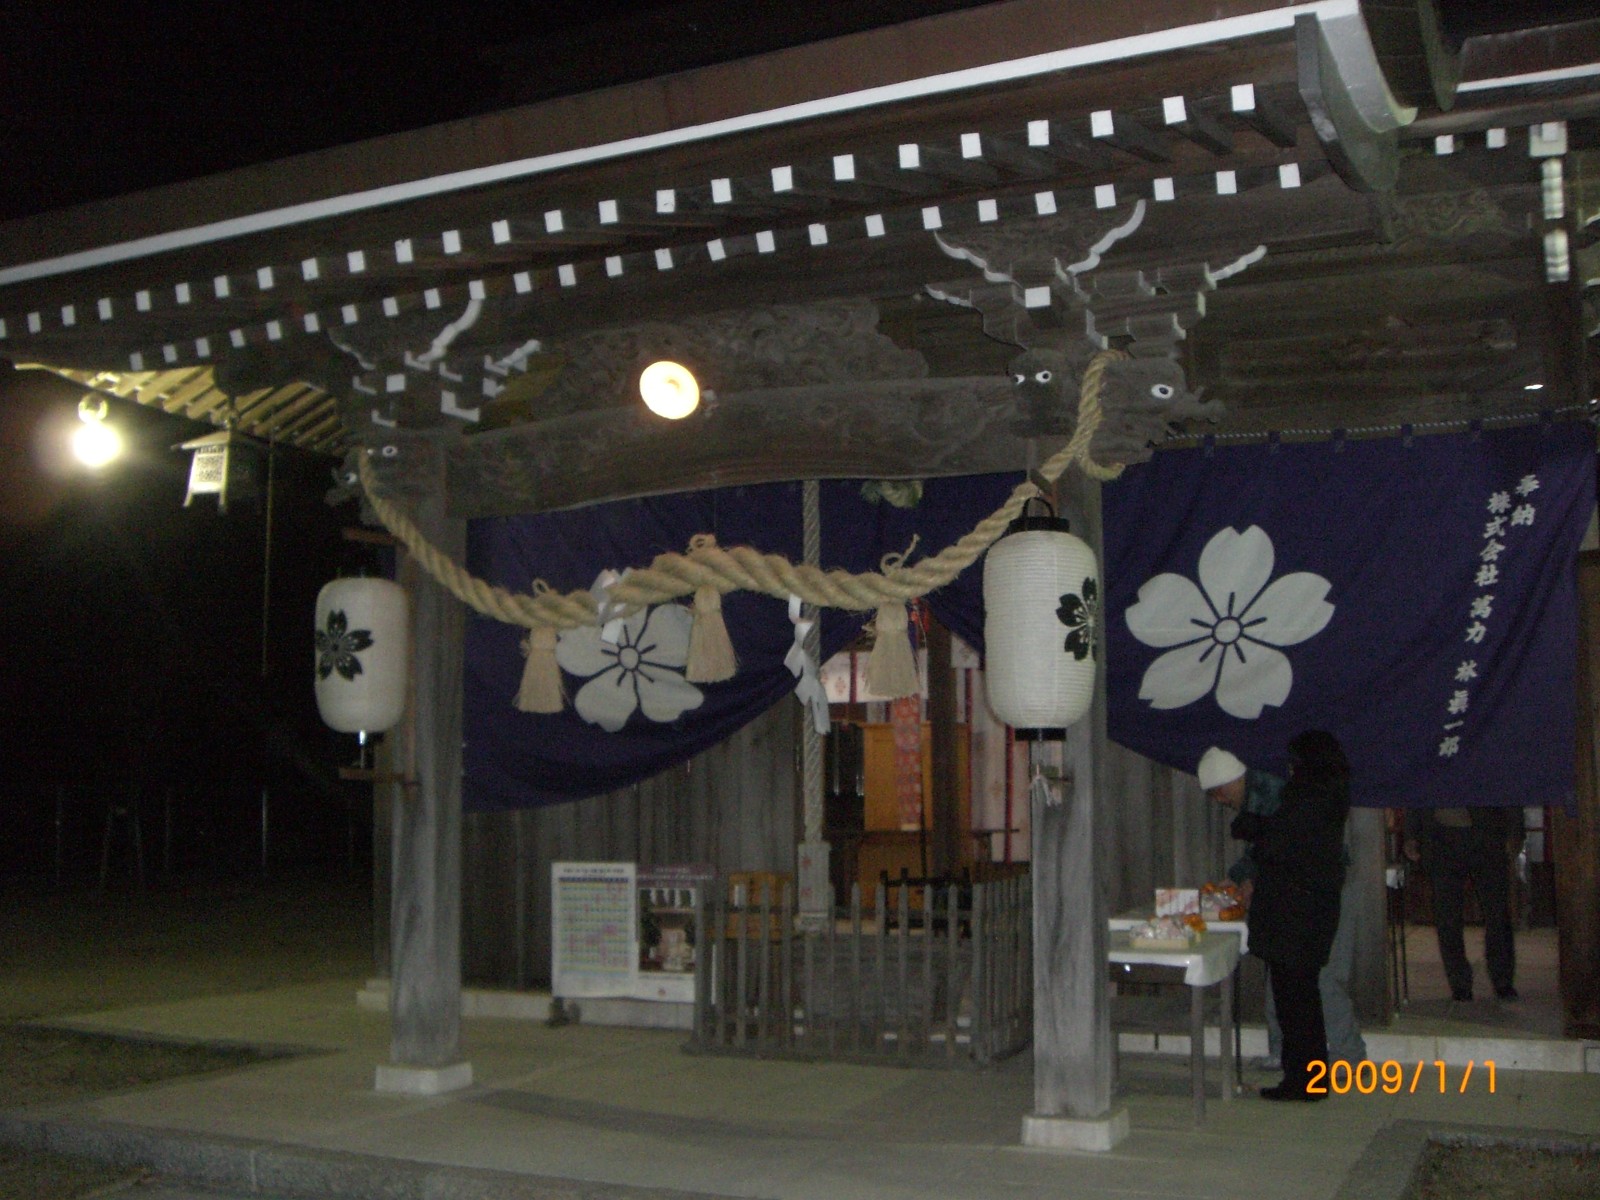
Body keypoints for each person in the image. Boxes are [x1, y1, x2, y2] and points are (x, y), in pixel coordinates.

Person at [1198, 747, 1367, 1072]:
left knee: (1323, 976)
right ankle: (1284, 1051)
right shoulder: (1260, 798)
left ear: (1229, 783)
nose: (1221, 801)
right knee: (1282, 971)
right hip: (1293, 896)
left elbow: (1282, 849)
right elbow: (1262, 853)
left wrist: (1247, 879)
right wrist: (1242, 879)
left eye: (1218, 793)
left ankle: (1349, 1054)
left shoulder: (1277, 795)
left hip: (1323, 890)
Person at [1223, 731, 1352, 1101]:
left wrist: (1254, 829)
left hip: (1296, 914)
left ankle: (1304, 1081)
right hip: (1308, 912)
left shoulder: (1309, 798)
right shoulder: (1327, 796)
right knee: (1302, 1001)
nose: (1291, 768)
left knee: (1296, 1004)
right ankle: (1308, 1079)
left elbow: (1282, 845)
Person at [1404, 806, 1523, 1001]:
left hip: (1486, 833)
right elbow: (1417, 792)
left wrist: (1515, 831)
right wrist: (1411, 834)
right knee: (1447, 916)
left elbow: (1506, 790)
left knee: (1497, 913)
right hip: (1441, 837)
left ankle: (1502, 980)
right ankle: (1459, 983)